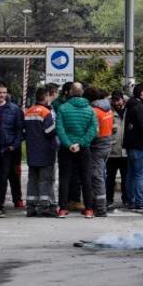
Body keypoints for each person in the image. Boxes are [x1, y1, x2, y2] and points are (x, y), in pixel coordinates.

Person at [56, 82, 98, 218]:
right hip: (84, 148)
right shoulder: (90, 110)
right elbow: (93, 130)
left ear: (70, 92)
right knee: (86, 178)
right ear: (82, 92)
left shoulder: (63, 108)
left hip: (66, 149)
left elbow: (60, 129)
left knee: (64, 178)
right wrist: (80, 144)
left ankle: (62, 208)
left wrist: (69, 144)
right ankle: (89, 209)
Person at [23, 87, 58, 217]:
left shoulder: (28, 112)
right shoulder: (45, 112)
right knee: (46, 180)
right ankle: (44, 207)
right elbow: (50, 132)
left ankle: (31, 207)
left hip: (32, 152)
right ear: (46, 97)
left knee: (32, 180)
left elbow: (24, 132)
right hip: (45, 152)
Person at [84, 87, 114, 217]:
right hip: (107, 144)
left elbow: (93, 131)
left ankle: (100, 208)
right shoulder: (108, 109)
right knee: (101, 174)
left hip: (97, 147)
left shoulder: (94, 111)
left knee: (97, 177)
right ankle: (98, 204)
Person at [123, 84, 143, 212]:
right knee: (140, 175)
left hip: (130, 146)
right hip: (140, 146)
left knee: (131, 174)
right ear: (141, 93)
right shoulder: (140, 107)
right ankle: (139, 201)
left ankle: (131, 200)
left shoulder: (129, 106)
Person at [0, 81, 23, 218]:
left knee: (3, 178)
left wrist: (15, 144)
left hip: (7, 149)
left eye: (3, 92)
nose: (1, 95)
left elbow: (20, 129)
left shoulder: (14, 109)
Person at [106, 90, 128, 209]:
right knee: (110, 177)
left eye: (118, 100)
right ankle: (109, 199)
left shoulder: (128, 110)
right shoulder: (108, 111)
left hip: (124, 151)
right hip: (112, 150)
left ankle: (126, 199)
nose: (116, 102)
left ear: (122, 99)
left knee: (125, 177)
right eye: (114, 100)